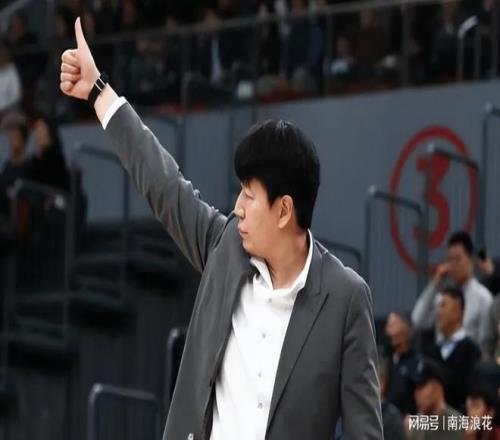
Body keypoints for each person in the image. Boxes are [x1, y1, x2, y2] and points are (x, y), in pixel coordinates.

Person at [59, 18, 383, 440]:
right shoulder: (225, 246)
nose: (237, 208)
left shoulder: (346, 298)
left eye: (249, 195)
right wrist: (99, 92)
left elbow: (364, 432)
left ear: (284, 210)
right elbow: (163, 184)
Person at [412, 231, 493, 354]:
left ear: (470, 260)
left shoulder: (483, 298)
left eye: (457, 259)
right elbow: (418, 320)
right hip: (441, 360)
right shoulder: (443, 298)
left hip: (468, 361)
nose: (453, 265)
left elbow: (485, 344)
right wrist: (435, 284)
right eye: (449, 260)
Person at [419, 287, 481, 412]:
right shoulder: (431, 351)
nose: (438, 311)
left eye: (443, 305)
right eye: (438, 306)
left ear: (458, 311)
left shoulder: (471, 351)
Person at [407, 358, 464, 440]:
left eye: (421, 386)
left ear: (437, 388)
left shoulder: (456, 423)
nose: (417, 393)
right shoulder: (416, 424)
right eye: (416, 387)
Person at [385, 311, 420, 415]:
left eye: (392, 325)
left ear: (406, 329)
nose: (388, 331)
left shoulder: (417, 362)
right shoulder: (385, 359)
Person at [27, 115, 70, 191]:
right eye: (36, 131)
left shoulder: (58, 161)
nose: (38, 135)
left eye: (41, 131)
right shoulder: (33, 162)